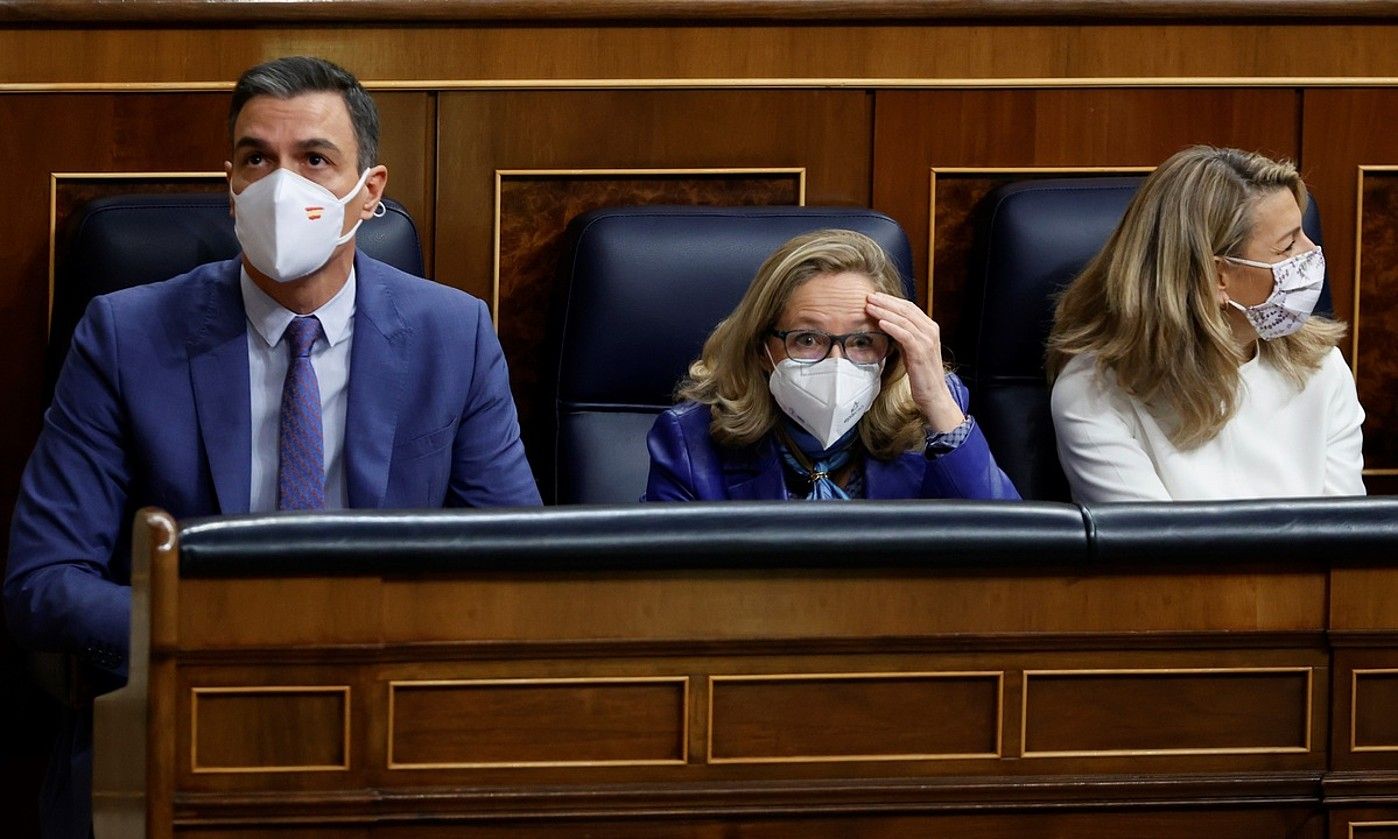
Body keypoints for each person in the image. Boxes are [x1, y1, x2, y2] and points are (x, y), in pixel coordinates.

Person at [4, 56, 540, 837]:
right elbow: (42, 581)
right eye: (257, 159)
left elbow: (515, 565)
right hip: (185, 711)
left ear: (371, 190)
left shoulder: (453, 335)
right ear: (230, 184)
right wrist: (226, 639)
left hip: (389, 717)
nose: (280, 186)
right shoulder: (126, 335)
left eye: (314, 159)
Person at [1047, 145, 1365, 502]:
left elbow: (1345, 537)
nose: (1311, 253)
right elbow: (1156, 551)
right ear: (1216, 277)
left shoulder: (1320, 364)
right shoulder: (1095, 394)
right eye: (1288, 245)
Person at [644, 229, 1019, 501]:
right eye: (807, 339)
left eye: (862, 342)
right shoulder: (690, 440)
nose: (836, 363)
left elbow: (1012, 555)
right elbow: (657, 587)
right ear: (761, 348)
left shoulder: (932, 417)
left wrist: (936, 401)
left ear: (891, 351)